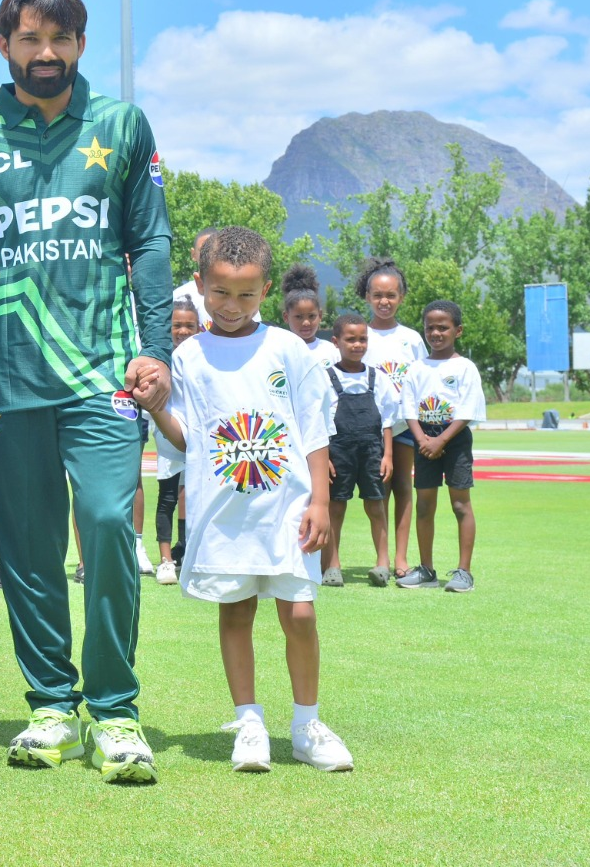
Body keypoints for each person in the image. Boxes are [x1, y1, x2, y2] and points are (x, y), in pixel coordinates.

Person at [0, 0, 173, 784]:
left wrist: (157, 347)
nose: (47, 52)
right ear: (4, 46)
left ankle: (117, 710)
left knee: (104, 522)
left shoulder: (122, 124)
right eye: (30, 38)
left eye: (60, 38)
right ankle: (51, 704)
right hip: (7, 378)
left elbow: (154, 245)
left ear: (81, 44)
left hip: (100, 369)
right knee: (26, 546)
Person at [143, 227, 353, 774]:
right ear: (198, 286)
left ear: (265, 291)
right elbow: (186, 437)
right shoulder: (186, 356)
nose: (232, 306)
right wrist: (157, 409)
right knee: (236, 613)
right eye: (220, 293)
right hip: (225, 512)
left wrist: (321, 503)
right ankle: (250, 721)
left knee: (300, 614)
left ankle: (307, 725)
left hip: (287, 509)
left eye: (246, 294)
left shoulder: (289, 349)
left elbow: (314, 430)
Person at [398, 300, 486, 593]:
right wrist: (423, 440)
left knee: (460, 504)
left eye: (443, 327)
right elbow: (409, 408)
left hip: (455, 439)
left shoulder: (464, 367)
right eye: (430, 327)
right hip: (423, 441)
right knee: (424, 506)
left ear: (458, 331)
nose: (436, 333)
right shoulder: (416, 368)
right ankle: (426, 570)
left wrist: (441, 440)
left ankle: (463, 572)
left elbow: (467, 410)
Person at [357, 258, 426, 579]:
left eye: (391, 295)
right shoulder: (360, 336)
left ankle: (401, 558)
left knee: (402, 487)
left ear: (402, 297)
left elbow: (424, 379)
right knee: (377, 491)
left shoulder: (411, 338)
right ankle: (381, 558)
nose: (384, 302)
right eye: (377, 295)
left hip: (405, 425)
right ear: (367, 296)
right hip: (371, 429)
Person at [324, 313, 402, 588]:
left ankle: (383, 563)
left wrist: (388, 455)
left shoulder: (377, 378)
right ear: (336, 342)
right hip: (338, 452)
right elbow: (318, 421)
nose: (357, 345)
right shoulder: (325, 378)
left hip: (372, 450)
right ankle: (332, 565)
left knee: (376, 505)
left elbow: (388, 420)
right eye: (350, 339)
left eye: (362, 339)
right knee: (335, 508)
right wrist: (325, 459)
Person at [152, 297, 202, 584]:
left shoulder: (205, 357)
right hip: (168, 440)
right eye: (177, 325)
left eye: (189, 325)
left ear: (199, 328)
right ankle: (165, 561)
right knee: (168, 498)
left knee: (194, 498)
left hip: (199, 442)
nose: (183, 331)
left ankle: (188, 553)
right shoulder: (160, 359)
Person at [281, 265, 340, 369]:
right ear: (286, 317)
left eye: (312, 316)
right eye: (299, 317)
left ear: (320, 315)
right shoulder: (281, 351)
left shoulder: (331, 351)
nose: (306, 323)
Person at [173, 227, 219, 325]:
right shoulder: (179, 295)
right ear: (193, 254)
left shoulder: (237, 293)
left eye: (215, 250)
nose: (209, 255)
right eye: (203, 250)